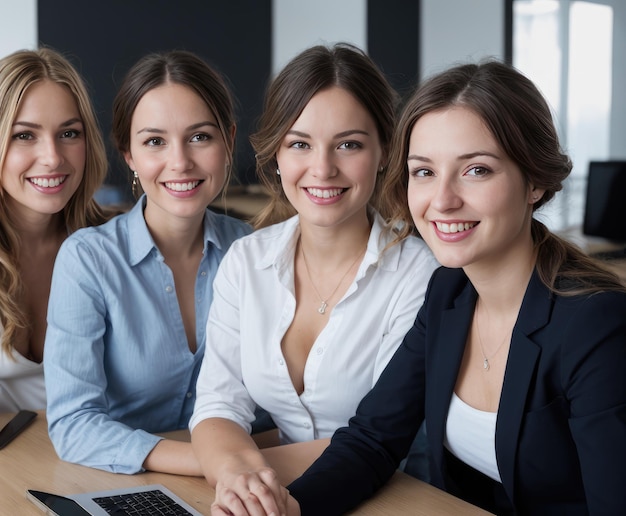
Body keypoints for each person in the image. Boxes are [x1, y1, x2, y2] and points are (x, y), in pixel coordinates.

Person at [285, 60, 626, 515]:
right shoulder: (449, 293)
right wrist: (288, 508)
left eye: (477, 170)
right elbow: (373, 439)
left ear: (536, 182)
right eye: (424, 171)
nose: (442, 200)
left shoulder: (596, 325)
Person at [189, 43, 438, 515]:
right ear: (277, 154)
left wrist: (252, 484)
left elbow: (381, 439)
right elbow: (218, 406)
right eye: (300, 143)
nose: (322, 168)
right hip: (279, 499)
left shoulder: (419, 276)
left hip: (397, 499)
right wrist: (239, 480)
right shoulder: (246, 261)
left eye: (349, 144)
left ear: (384, 151)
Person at [43, 50, 251, 475]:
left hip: (249, 482)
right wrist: (215, 463)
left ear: (228, 141)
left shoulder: (255, 252)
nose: (180, 162)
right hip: (124, 482)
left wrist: (239, 469)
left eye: (200, 137)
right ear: (128, 155)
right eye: (155, 141)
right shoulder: (88, 261)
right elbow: (73, 424)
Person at [0, 47, 111, 413]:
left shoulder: (114, 245)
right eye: (24, 136)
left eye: (68, 133)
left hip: (99, 460)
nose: (52, 156)